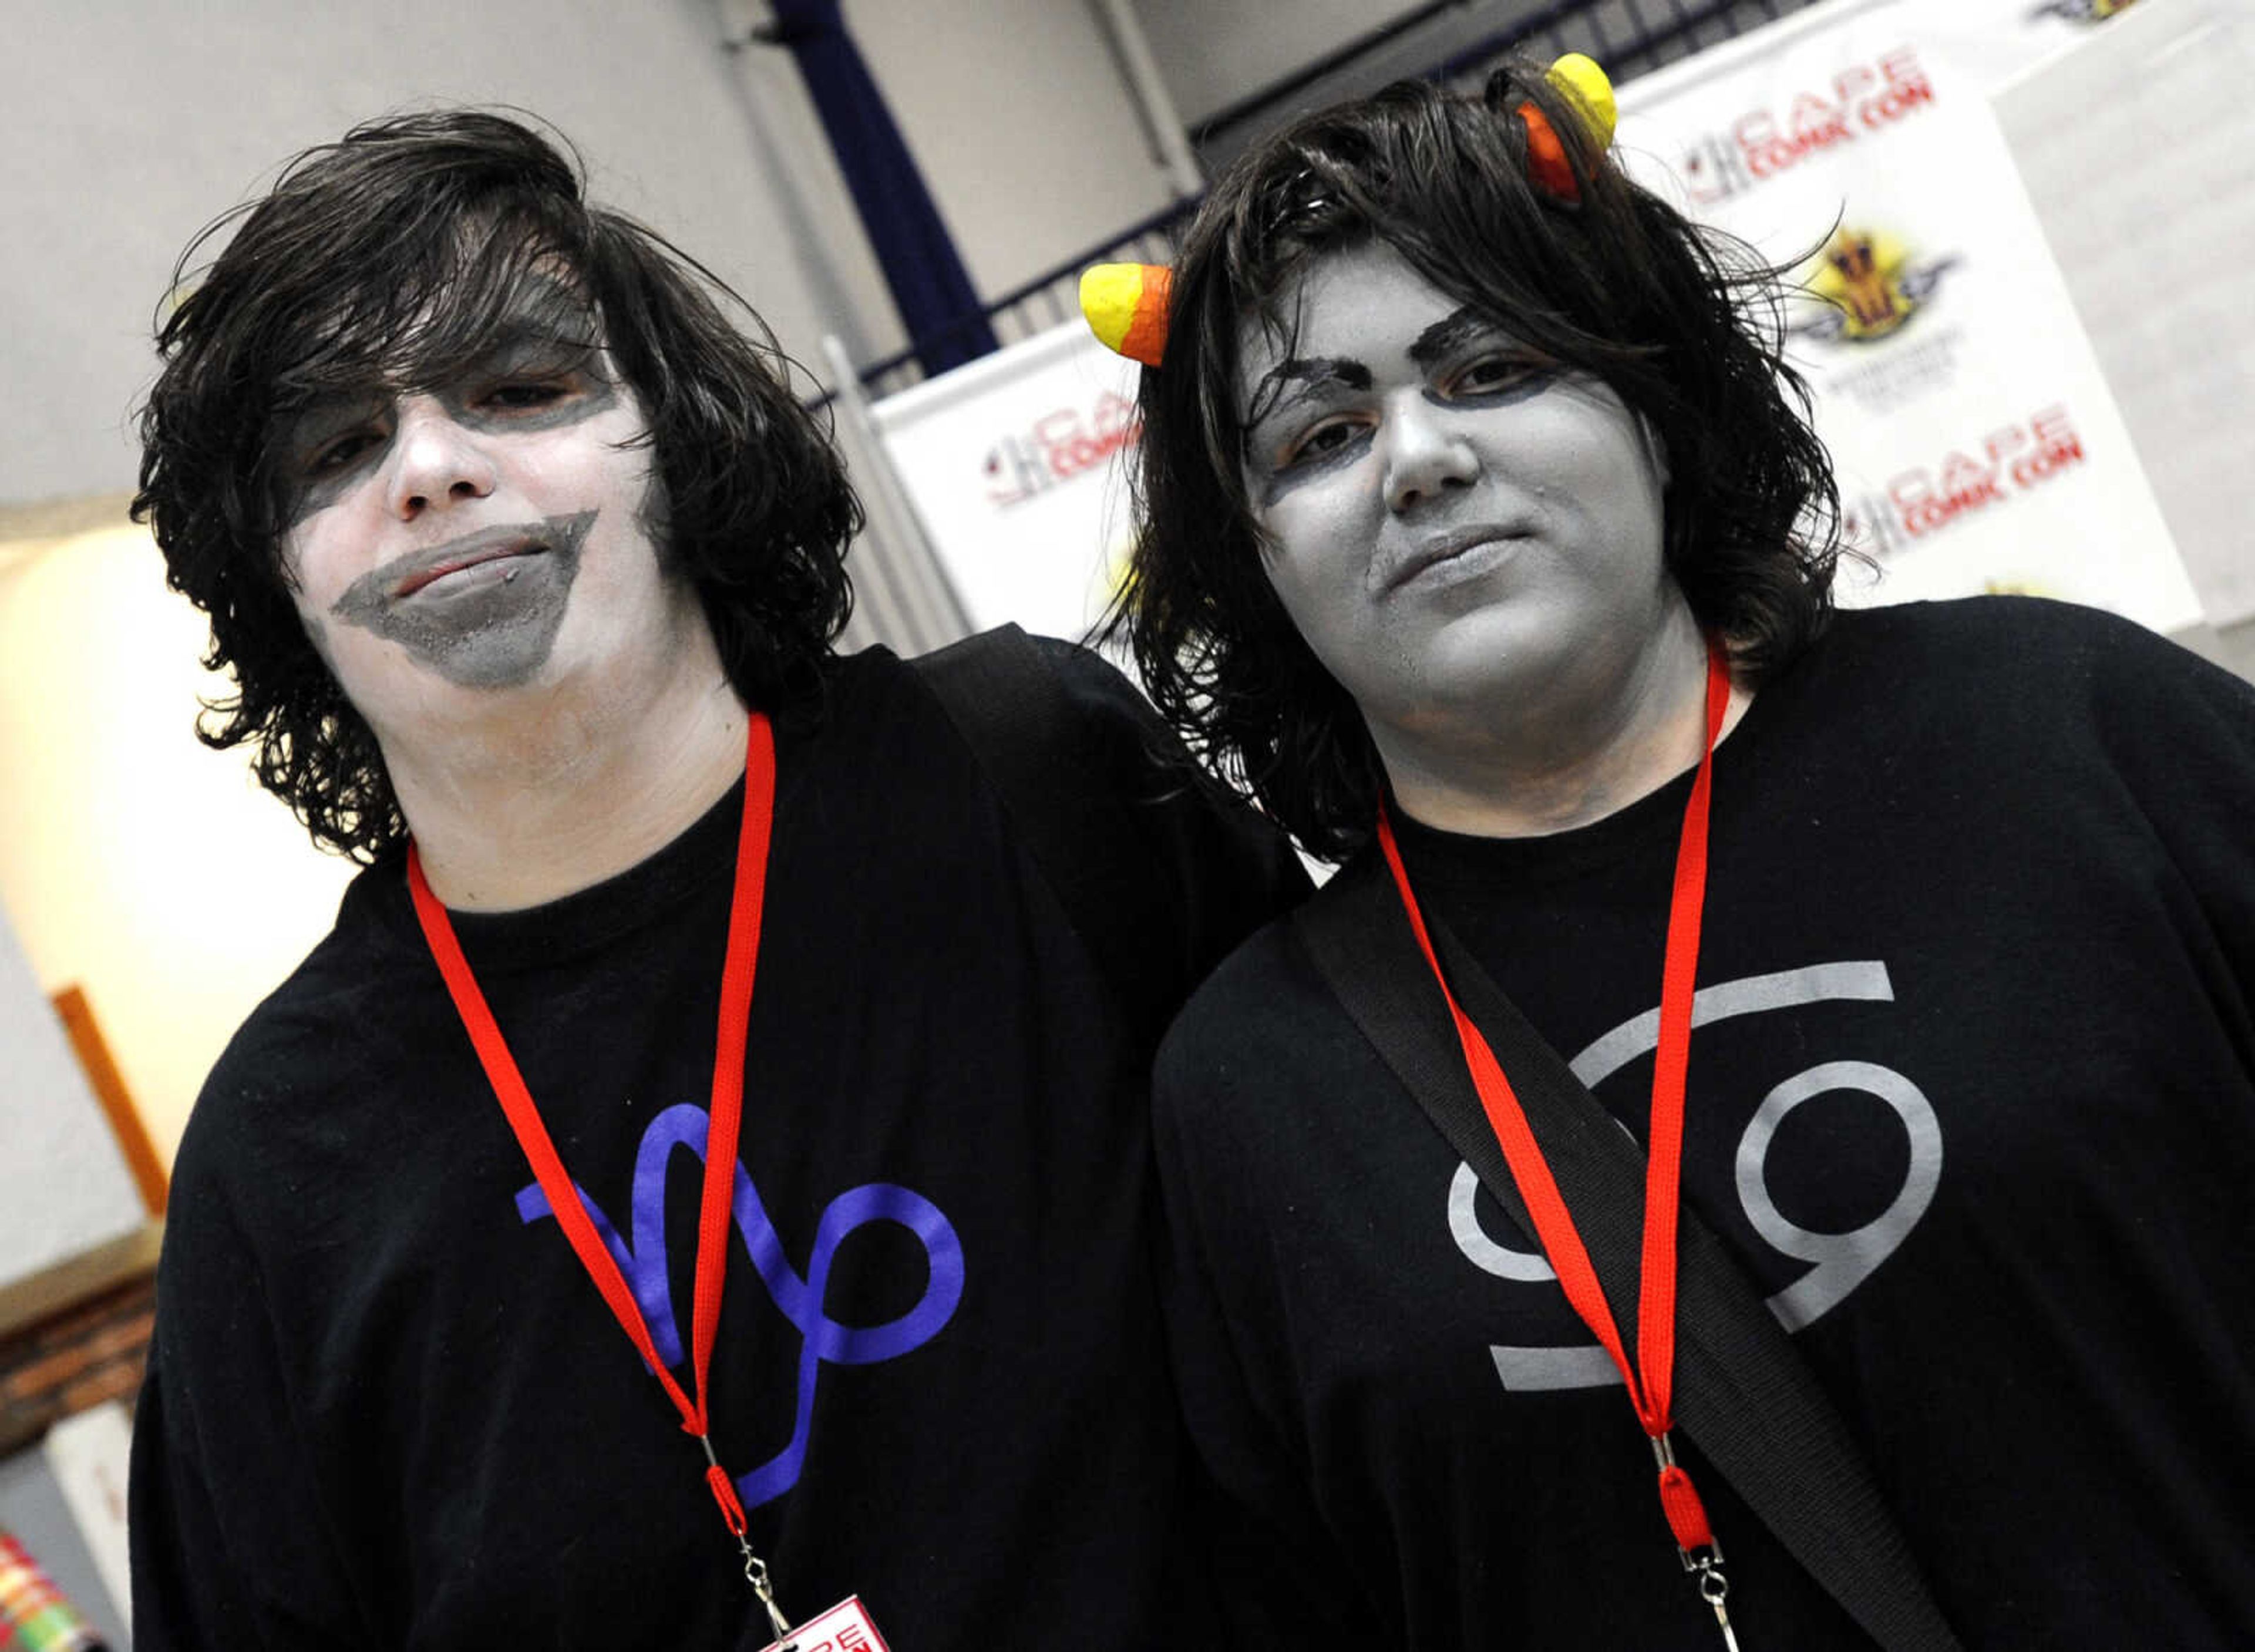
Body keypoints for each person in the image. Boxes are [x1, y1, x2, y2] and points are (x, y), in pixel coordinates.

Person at [1106, 58, 2255, 1649]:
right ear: (1258, 565)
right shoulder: (1250, 1096)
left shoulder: (2067, 732)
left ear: (1653, 403)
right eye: (1318, 436)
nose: (1418, 459)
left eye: (1493, 366)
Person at [127, 110, 1304, 1648]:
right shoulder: (277, 1166)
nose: (427, 466)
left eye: (520, 385)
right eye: (337, 446)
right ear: (282, 582)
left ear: (677, 444)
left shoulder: (1036, 780)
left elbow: (1384, 1318)